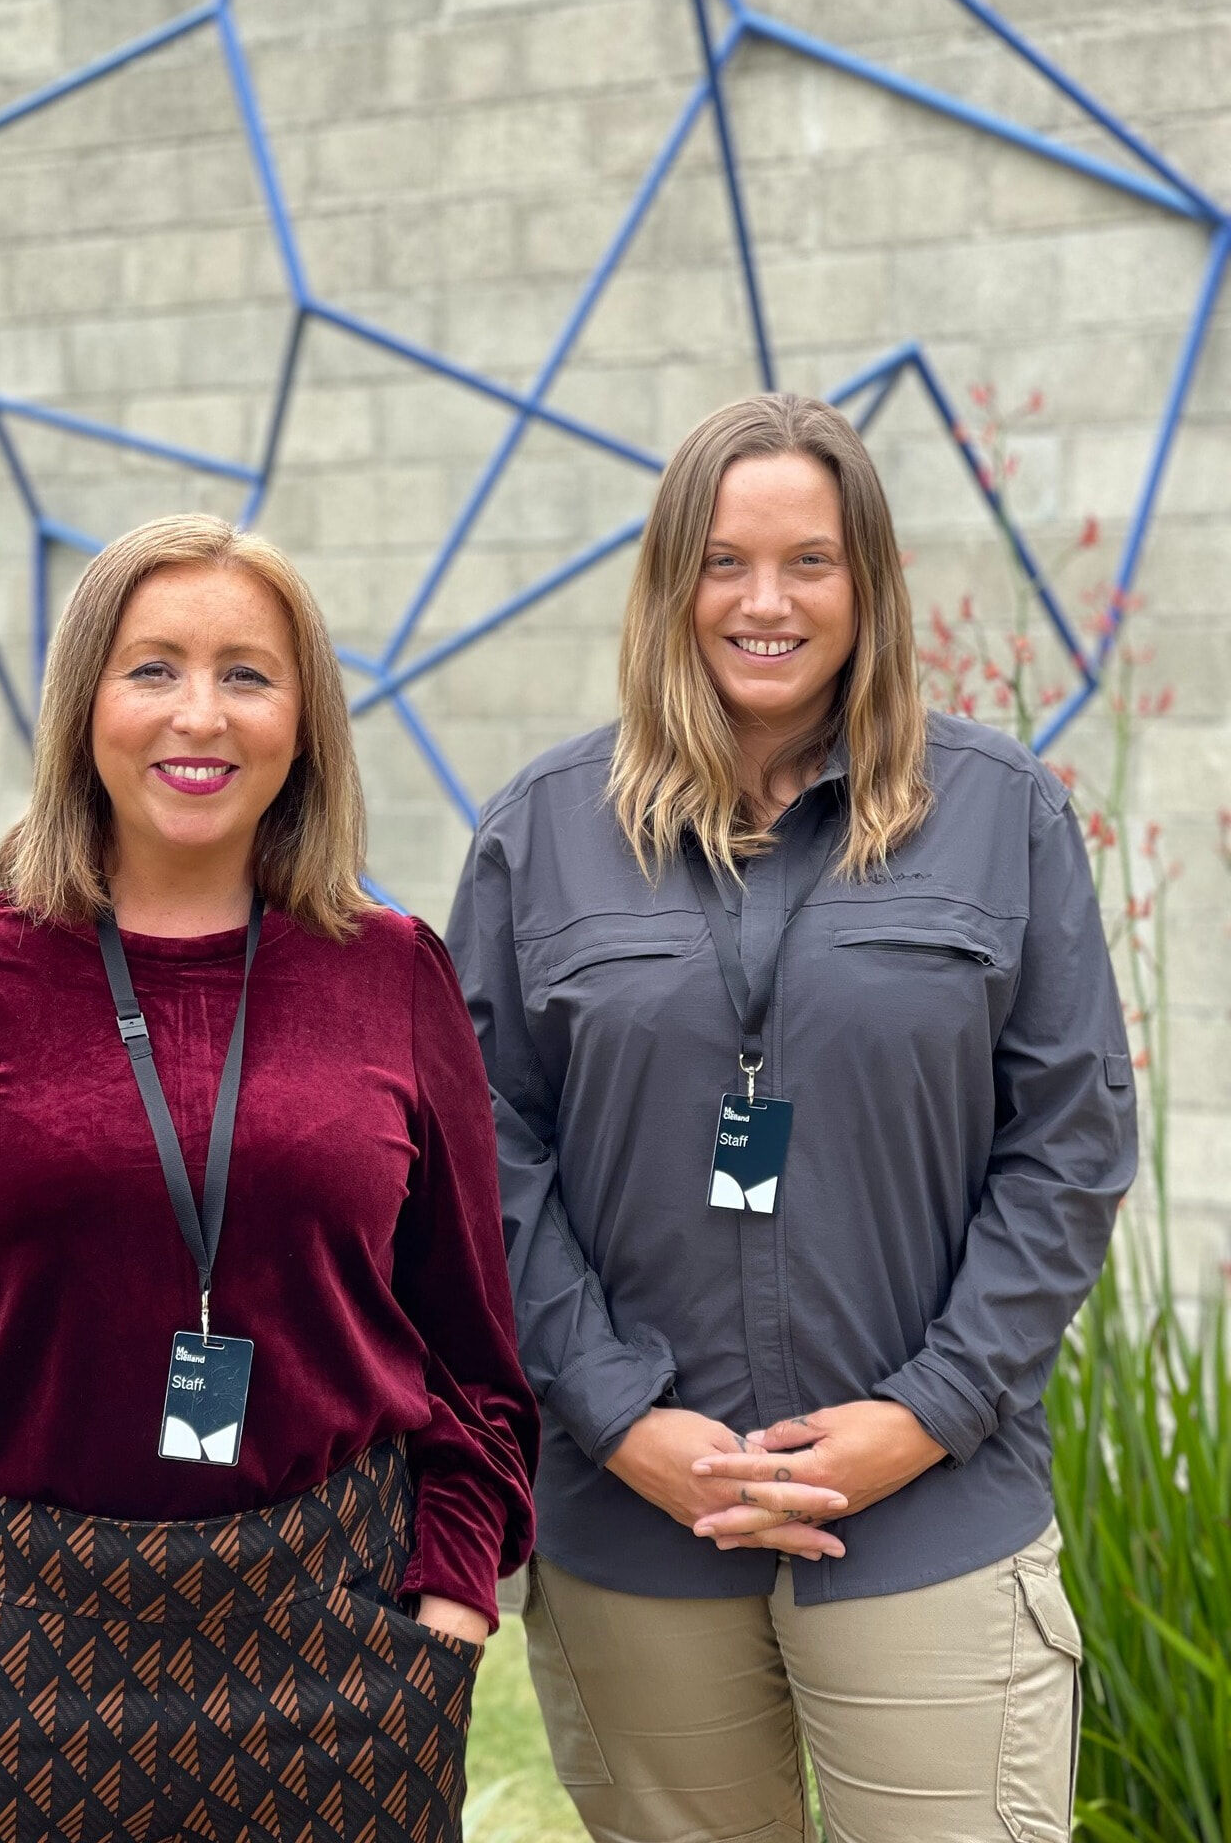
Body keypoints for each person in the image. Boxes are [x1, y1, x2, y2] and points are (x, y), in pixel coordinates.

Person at [0, 514, 537, 1843]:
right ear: (87, 710)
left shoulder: (393, 972)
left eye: (248, 672)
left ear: (305, 723)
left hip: (343, 1646)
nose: (202, 715)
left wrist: (450, 1610)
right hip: (18, 1652)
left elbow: (475, 1348)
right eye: (154, 669)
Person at [447, 394, 1135, 1843]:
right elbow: (481, 1155)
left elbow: (1068, 1145)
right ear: (667, 583)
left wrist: (923, 1414)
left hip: (929, 1520)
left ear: (868, 583)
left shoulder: (1000, 813)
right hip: (640, 1525)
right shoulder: (542, 833)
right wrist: (619, 1412)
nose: (765, 603)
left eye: (809, 562)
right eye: (723, 560)